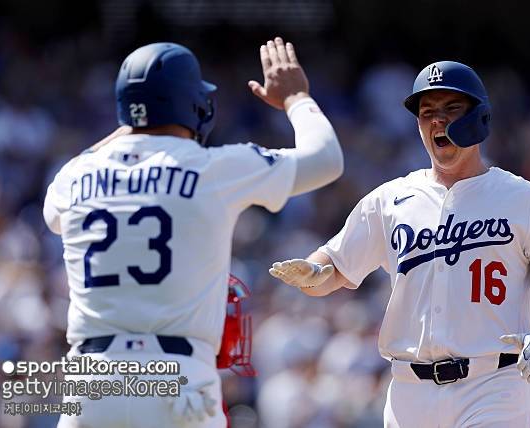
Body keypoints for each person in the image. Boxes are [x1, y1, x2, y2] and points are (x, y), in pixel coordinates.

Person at [269, 61, 530, 427]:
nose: (437, 121)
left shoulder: (526, 200)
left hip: (493, 386)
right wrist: (314, 272)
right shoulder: (389, 200)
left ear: (479, 117)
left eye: (451, 109)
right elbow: (334, 267)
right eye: (427, 113)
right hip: (410, 391)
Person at [43, 37, 343, 428]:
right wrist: (297, 98)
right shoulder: (213, 167)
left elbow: (53, 214)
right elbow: (326, 159)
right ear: (193, 104)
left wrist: (132, 126)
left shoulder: (73, 177)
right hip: (179, 380)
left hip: (94, 385)